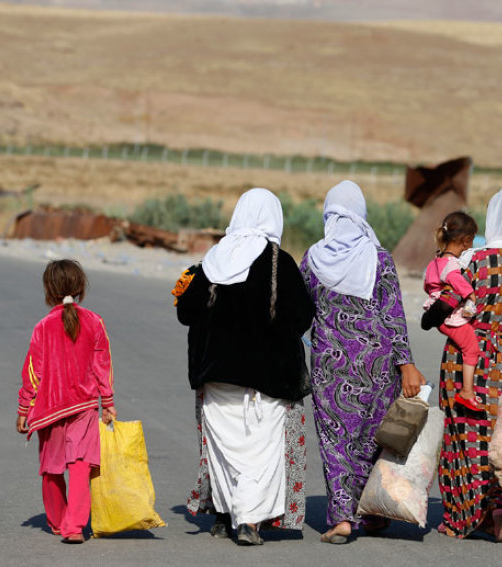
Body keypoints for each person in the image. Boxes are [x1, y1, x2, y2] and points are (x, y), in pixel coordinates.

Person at [173, 188, 315, 546]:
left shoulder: (212, 260)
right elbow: (302, 314)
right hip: (267, 378)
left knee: (225, 449)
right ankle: (249, 520)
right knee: (260, 451)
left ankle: (225, 516)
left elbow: (186, 312)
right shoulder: (278, 262)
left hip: (216, 375)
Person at [300, 180, 425, 544]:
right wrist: (406, 364)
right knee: (372, 438)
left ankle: (343, 517)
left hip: (330, 366)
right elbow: (394, 314)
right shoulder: (378, 257)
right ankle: (371, 510)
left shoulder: (313, 258)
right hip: (377, 365)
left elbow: (302, 312)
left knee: (336, 441)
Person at [437, 186, 502, 542]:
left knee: (462, 433)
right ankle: (497, 506)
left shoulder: (475, 260)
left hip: (465, 356)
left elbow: (449, 301)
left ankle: (459, 518)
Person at [15, 259, 116, 544]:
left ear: (49, 290)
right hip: (83, 406)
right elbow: (102, 367)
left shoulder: (43, 327)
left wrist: (24, 409)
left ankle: (58, 521)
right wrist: (107, 403)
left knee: (51, 466)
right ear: (81, 288)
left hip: (50, 409)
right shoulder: (95, 321)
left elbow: (33, 373)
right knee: (81, 464)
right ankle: (74, 527)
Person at [422, 211, 483, 412]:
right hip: (449, 317)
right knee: (471, 348)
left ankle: (465, 389)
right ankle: (467, 391)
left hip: (437, 313)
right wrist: (470, 295)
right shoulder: (452, 265)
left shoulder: (436, 260)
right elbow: (457, 281)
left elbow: (427, 284)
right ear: (465, 241)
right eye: (472, 240)